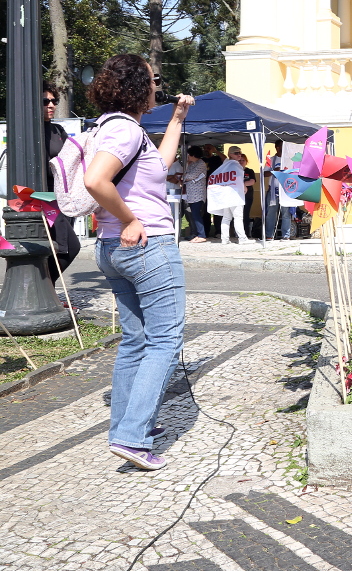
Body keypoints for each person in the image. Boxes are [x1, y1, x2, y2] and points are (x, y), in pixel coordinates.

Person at [82, 54, 194, 471]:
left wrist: (178, 118)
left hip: (113, 249)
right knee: (165, 342)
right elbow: (96, 181)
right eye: (153, 80)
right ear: (135, 86)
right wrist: (132, 220)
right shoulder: (125, 131)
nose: (156, 86)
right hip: (145, 246)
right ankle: (132, 437)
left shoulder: (115, 128)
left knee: (136, 341)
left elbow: (160, 166)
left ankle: (126, 428)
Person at [42, 83, 80, 283]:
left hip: (62, 197)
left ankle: (49, 290)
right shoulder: (29, 130)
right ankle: (44, 289)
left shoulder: (58, 129)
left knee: (61, 247)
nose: (51, 105)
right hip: (41, 198)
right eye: (45, 101)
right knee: (68, 246)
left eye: (54, 101)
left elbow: (70, 160)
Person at [207, 152, 248, 245]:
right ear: (231, 155)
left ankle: (224, 239)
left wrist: (215, 150)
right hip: (235, 195)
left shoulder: (226, 164)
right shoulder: (235, 165)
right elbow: (238, 179)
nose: (239, 155)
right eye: (236, 153)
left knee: (226, 218)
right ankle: (242, 238)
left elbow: (224, 157)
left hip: (226, 195)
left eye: (240, 153)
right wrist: (244, 186)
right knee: (238, 217)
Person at [181, 147, 209, 243]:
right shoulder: (193, 164)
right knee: (193, 214)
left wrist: (182, 177)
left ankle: (202, 235)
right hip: (191, 193)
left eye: (189, 155)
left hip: (198, 193)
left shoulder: (200, 164)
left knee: (197, 214)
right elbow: (186, 175)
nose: (187, 156)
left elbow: (189, 176)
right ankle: (196, 234)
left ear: (193, 155)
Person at [236, 153, 257, 237]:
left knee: (245, 214)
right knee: (237, 214)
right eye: (239, 160)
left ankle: (245, 233)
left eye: (243, 160)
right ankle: (237, 232)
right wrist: (243, 184)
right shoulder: (235, 170)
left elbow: (252, 181)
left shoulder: (249, 171)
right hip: (237, 196)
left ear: (246, 161)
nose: (241, 162)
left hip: (247, 196)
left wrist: (242, 184)